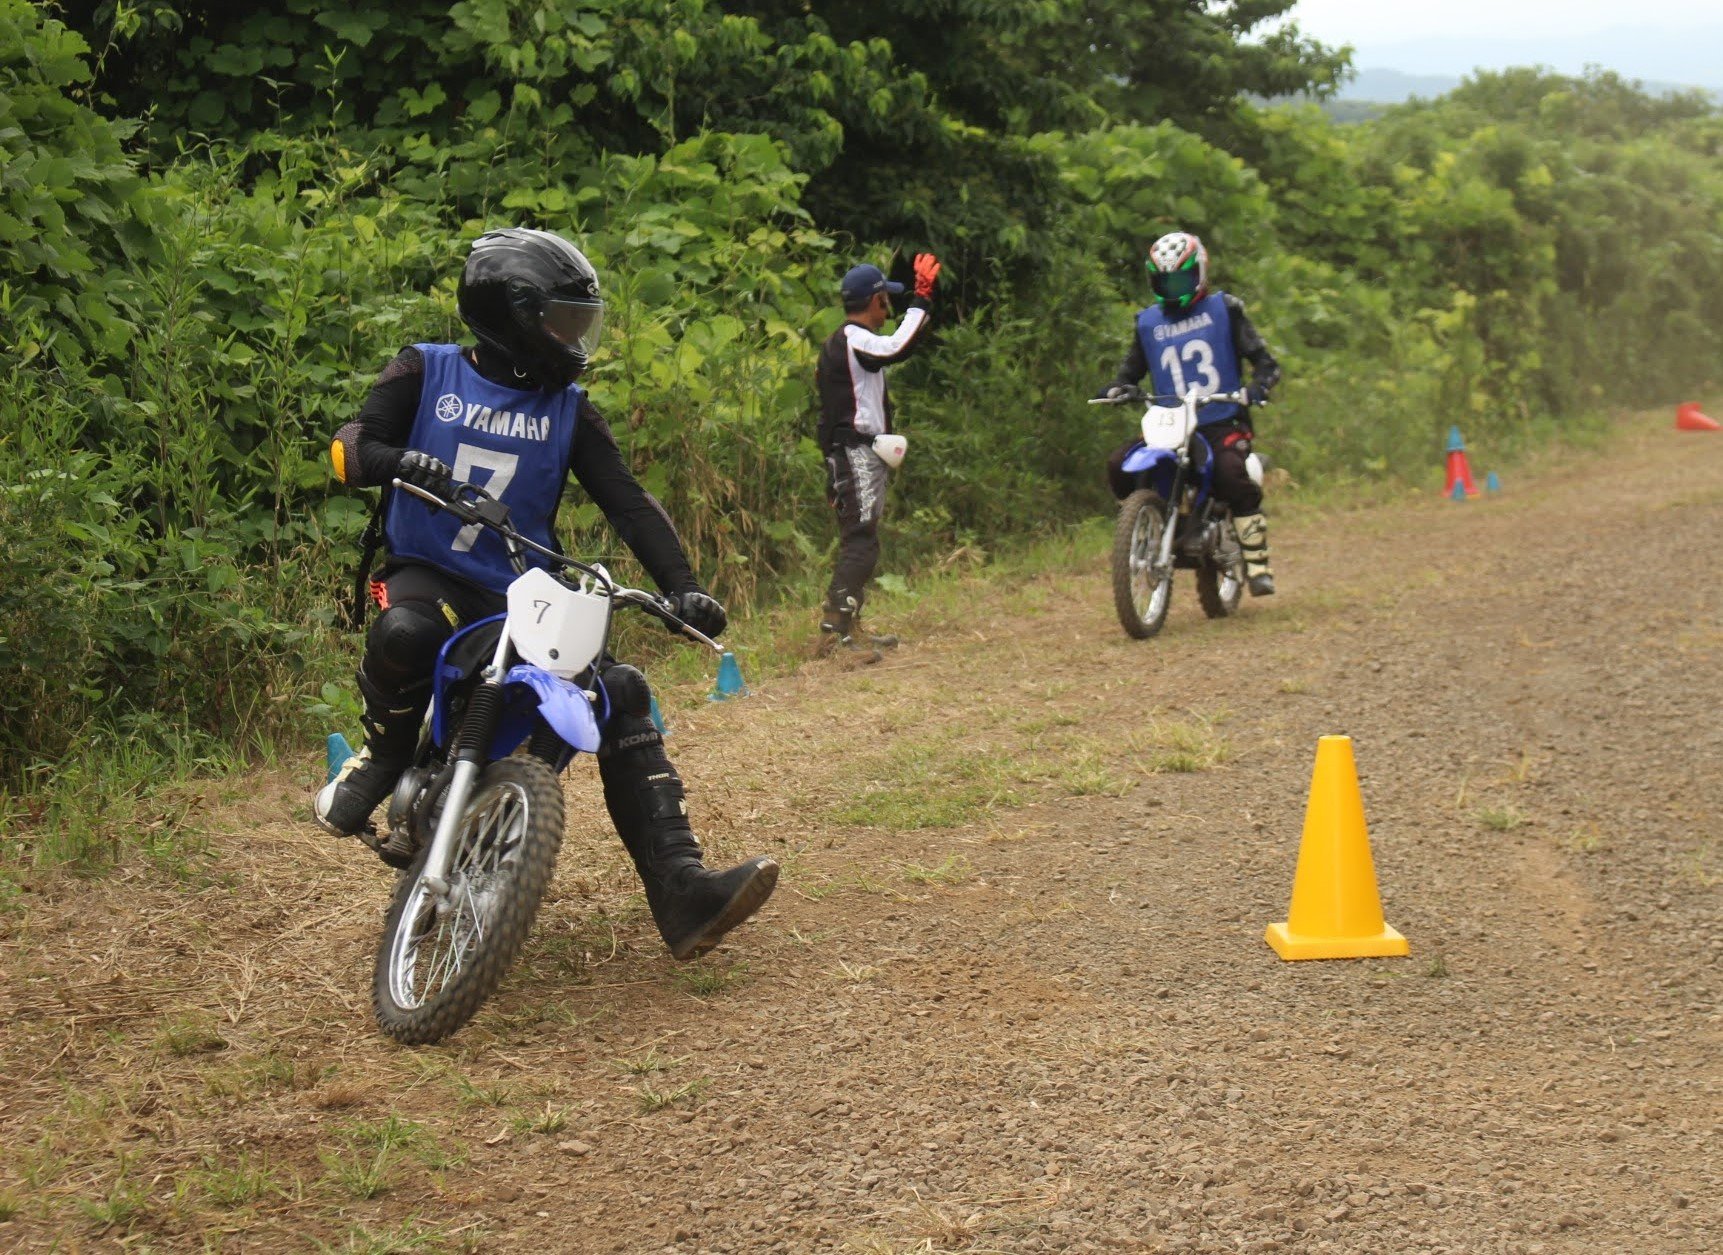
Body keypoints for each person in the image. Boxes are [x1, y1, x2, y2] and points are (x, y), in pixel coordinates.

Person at [315, 227, 777, 961]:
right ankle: (379, 758)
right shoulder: (422, 369)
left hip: (522, 593)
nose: (573, 337)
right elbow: (351, 449)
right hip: (426, 577)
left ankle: (682, 890)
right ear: (513, 314)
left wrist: (684, 589)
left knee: (620, 690)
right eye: (562, 320)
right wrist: (410, 463)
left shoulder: (571, 409)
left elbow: (627, 502)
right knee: (404, 633)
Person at [1098, 231, 1282, 595]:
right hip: (1170, 421)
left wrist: (1257, 388)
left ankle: (1257, 563)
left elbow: (1264, 361)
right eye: (1163, 279)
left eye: (1179, 278)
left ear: (1199, 273)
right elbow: (1130, 370)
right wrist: (1119, 387)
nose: (1171, 286)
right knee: (1119, 463)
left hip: (1220, 418)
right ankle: (1151, 521)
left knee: (1231, 473)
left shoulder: (1225, 310)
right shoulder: (1147, 322)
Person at [813, 252, 940, 660]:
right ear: (876, 299)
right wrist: (921, 299)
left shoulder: (843, 342)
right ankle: (835, 636)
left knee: (861, 539)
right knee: (861, 541)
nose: (891, 307)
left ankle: (849, 628)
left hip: (850, 452)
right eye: (889, 299)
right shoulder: (855, 338)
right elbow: (897, 346)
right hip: (854, 453)